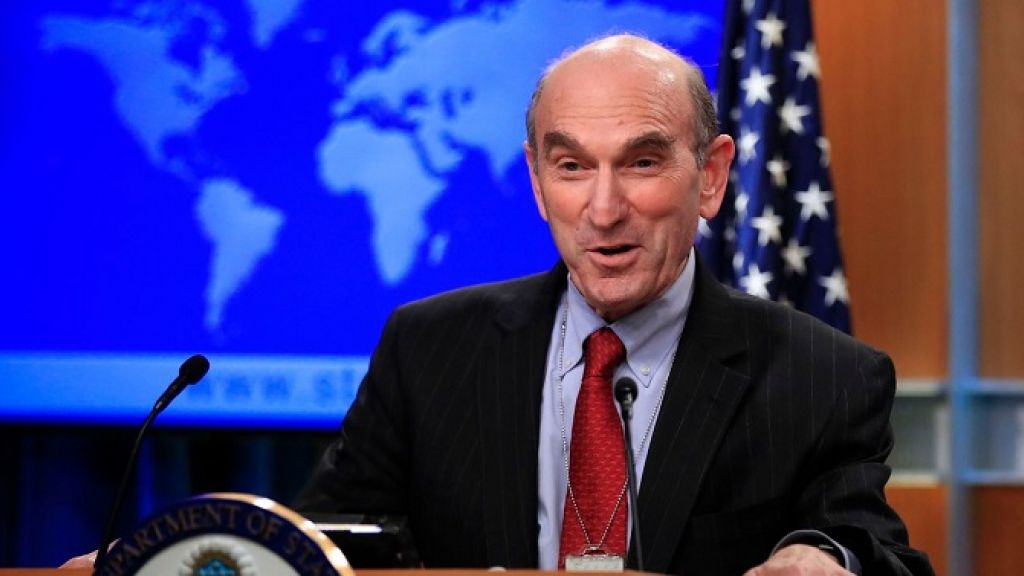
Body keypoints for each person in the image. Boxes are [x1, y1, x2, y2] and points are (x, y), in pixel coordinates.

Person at [293, 34, 933, 576]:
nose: (603, 211)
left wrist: (828, 557)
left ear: (711, 177)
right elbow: (321, 547)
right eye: (572, 166)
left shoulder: (823, 376)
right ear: (538, 181)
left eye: (642, 163)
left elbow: (872, 547)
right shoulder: (427, 350)